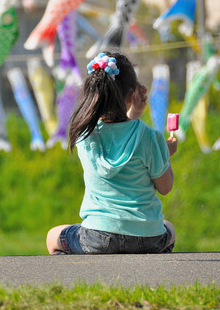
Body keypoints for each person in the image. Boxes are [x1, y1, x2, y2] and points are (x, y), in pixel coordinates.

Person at [46, 51, 177, 255]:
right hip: (149, 237)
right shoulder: (150, 137)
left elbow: (115, 135)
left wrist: (133, 114)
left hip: (98, 237)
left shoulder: (84, 136)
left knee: (53, 235)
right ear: (131, 96)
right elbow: (165, 186)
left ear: (93, 94)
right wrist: (164, 154)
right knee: (169, 227)